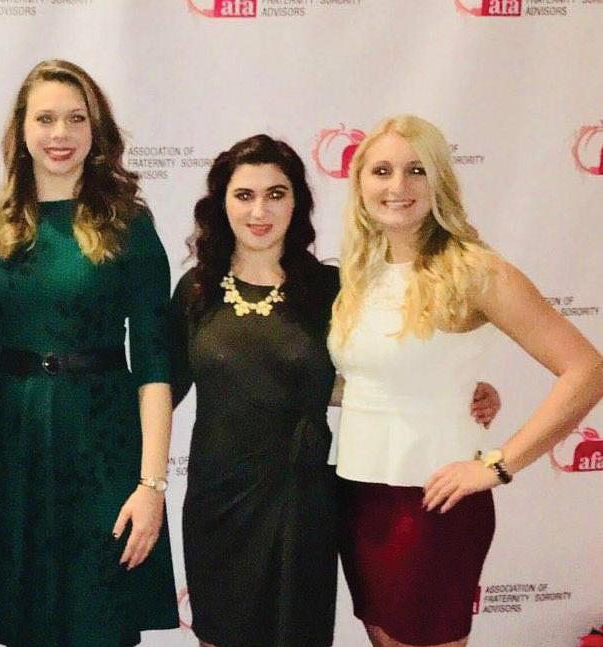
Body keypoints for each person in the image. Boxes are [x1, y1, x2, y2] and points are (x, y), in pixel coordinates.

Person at [170, 134, 499, 647]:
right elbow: (160, 391)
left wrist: (459, 390)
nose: (259, 211)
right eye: (244, 195)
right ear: (221, 204)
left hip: (306, 496)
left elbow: (372, 368)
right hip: (220, 501)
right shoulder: (196, 291)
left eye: (276, 194)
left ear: (297, 203)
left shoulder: (334, 288)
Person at [329, 114, 603, 647]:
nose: (398, 185)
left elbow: (586, 370)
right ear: (359, 183)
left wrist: (499, 465)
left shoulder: (476, 271)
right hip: (359, 494)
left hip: (434, 502)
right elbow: (370, 380)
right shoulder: (360, 272)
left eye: (416, 170)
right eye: (381, 171)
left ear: (440, 181)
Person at [0, 59, 178, 647]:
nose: (61, 134)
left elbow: (154, 366)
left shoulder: (130, 227)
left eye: (76, 119)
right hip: (14, 449)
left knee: (99, 622)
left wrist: (151, 486)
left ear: (95, 129)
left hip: (103, 445)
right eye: (46, 118)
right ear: (22, 130)